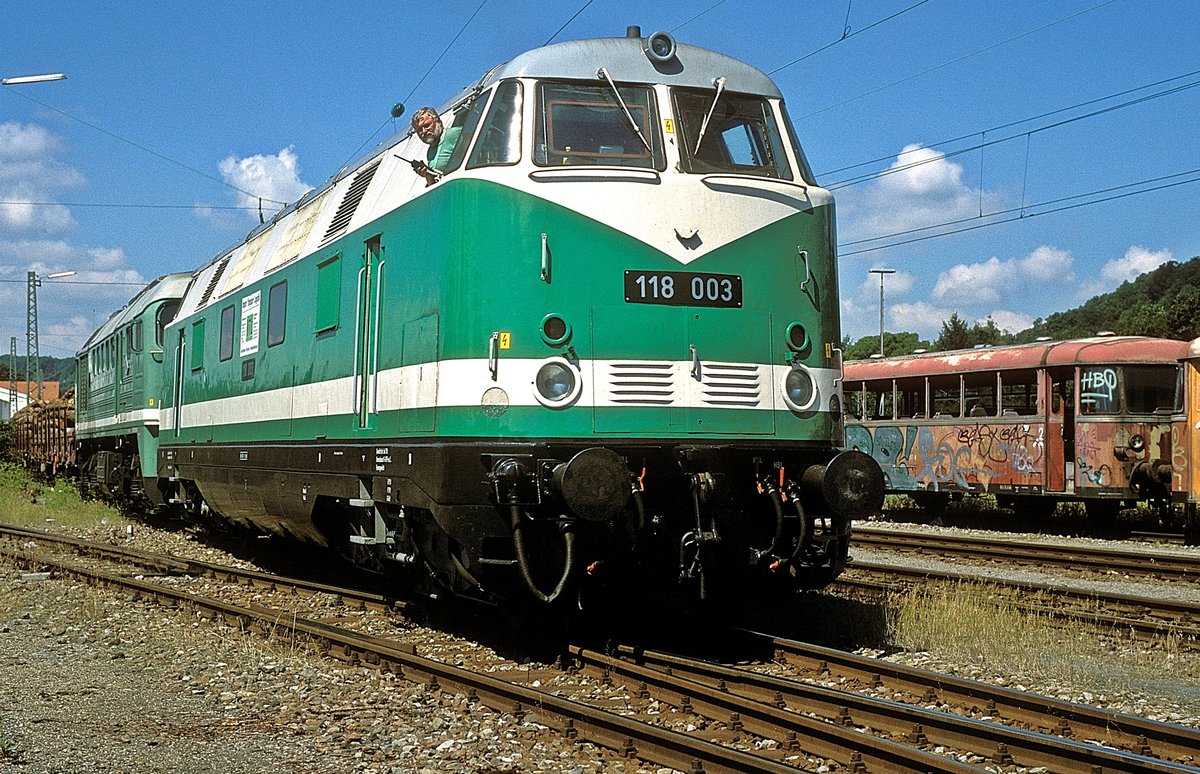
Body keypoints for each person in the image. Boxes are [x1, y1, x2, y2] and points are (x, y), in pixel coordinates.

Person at [410, 107, 462, 186]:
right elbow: (435, 183)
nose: (424, 131)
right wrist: (427, 174)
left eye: (427, 125)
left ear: (438, 122)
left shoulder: (453, 134)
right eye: (419, 130)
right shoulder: (430, 152)